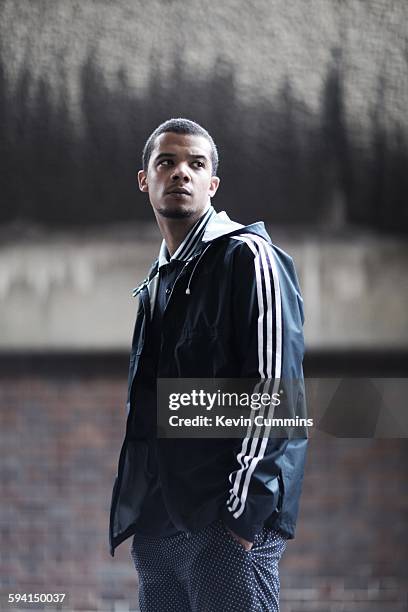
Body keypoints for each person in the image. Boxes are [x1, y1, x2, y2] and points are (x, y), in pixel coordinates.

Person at [109, 118, 307, 612]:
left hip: (223, 527)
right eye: (167, 162)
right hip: (158, 532)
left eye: (196, 165)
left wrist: (241, 519)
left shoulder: (247, 257)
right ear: (144, 179)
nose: (181, 173)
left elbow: (276, 393)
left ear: (212, 185)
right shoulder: (156, 283)